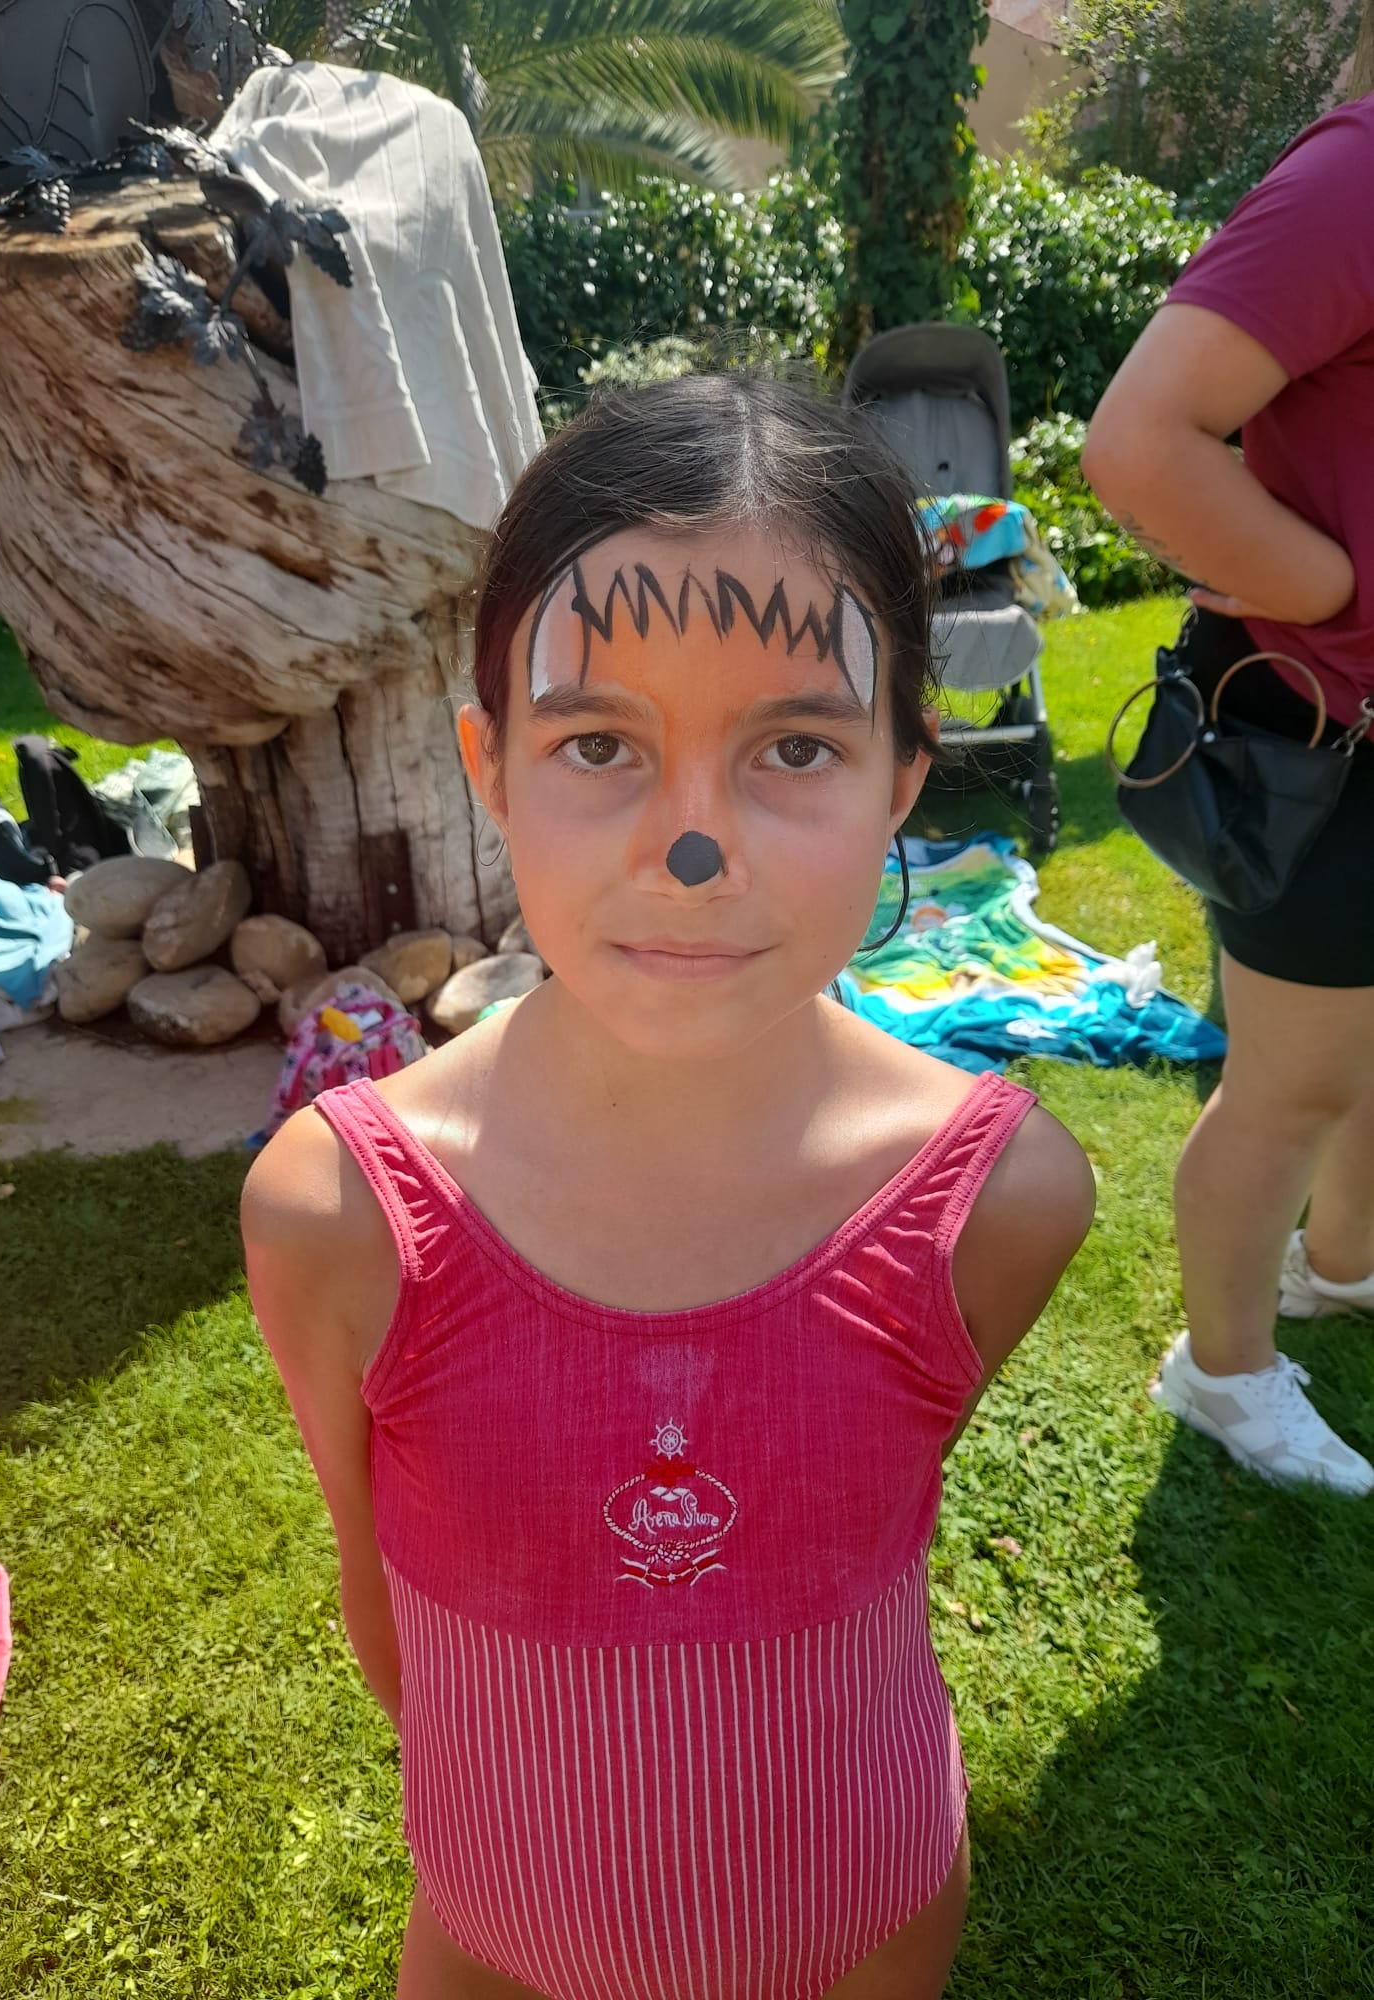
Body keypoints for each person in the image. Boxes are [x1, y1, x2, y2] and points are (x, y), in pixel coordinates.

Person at [241, 375, 1095, 2000]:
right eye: (598, 743)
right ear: (491, 765)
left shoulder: (1001, 1205)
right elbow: (388, 1620)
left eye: (795, 745)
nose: (693, 850)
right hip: (490, 1946)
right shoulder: (336, 1218)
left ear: (906, 774)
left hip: (864, 1934)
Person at [1082, 92, 1374, 1497]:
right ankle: (1224, 1369)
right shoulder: (1359, 177)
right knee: (1292, 1083)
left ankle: (1345, 1267)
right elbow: (1138, 442)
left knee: (1359, 1054)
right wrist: (1329, 589)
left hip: (1351, 711)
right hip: (1318, 724)